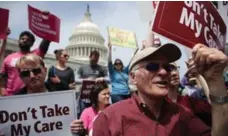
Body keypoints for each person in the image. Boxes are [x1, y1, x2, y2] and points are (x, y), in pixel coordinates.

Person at [93, 43, 228, 136]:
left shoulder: (181, 115)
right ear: (133, 77)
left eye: (167, 67)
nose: (163, 72)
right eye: (152, 66)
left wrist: (215, 81)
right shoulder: (109, 119)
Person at [0, 29, 51, 96]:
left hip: (31, 94)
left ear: (32, 44)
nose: (24, 40)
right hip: (11, 95)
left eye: (28, 40)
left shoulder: (36, 54)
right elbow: (3, 75)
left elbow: (45, 42)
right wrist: (2, 89)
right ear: (19, 41)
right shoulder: (9, 58)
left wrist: (48, 27)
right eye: (22, 38)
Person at [77, 50, 109, 116]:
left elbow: (109, 79)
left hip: (96, 95)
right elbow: (76, 79)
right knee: (83, 113)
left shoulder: (102, 68)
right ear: (90, 57)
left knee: (95, 113)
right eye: (93, 59)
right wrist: (86, 80)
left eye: (96, 59)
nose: (95, 61)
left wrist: (102, 78)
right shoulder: (83, 67)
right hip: (85, 95)